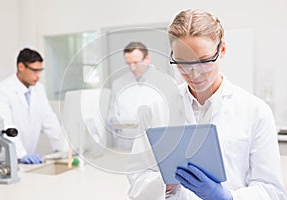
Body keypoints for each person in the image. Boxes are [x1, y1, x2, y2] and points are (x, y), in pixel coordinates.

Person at [127, 10, 287, 199]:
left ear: (222, 51)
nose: (194, 74)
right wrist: (166, 182)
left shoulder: (255, 112)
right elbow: (136, 183)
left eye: (204, 61)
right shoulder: (156, 109)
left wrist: (226, 197)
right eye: (182, 63)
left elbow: (272, 191)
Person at [0, 48, 67, 164]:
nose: (38, 75)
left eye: (40, 71)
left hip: (25, 161)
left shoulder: (38, 89)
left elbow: (50, 122)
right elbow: (6, 128)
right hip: (1, 161)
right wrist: (22, 154)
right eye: (34, 70)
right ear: (21, 67)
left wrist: (66, 149)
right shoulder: (2, 92)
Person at [108, 41, 164, 150]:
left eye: (136, 63)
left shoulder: (163, 82)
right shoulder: (118, 83)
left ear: (147, 59)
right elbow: (111, 117)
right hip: (125, 145)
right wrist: (119, 124)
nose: (132, 68)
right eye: (128, 64)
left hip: (152, 145)